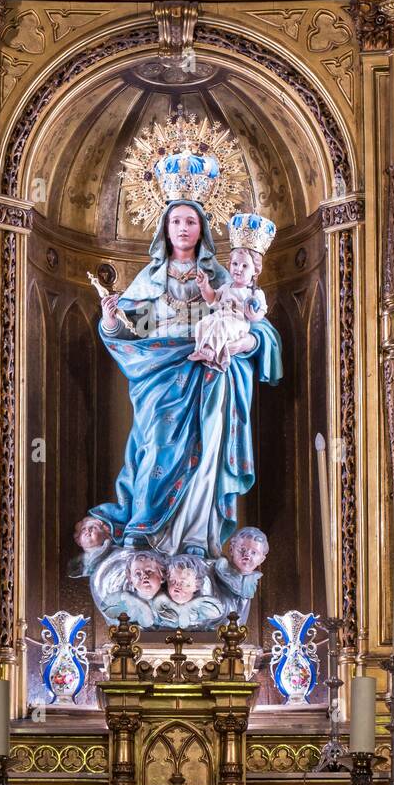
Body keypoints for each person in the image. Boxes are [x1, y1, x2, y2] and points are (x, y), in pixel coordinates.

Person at [91, 200, 282, 557]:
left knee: (207, 450)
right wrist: (111, 319)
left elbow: (263, 333)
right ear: (164, 227)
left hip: (209, 377)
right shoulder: (150, 279)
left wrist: (244, 342)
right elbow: (131, 333)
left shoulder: (223, 278)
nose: (182, 228)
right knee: (156, 446)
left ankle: (196, 540)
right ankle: (145, 529)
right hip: (161, 375)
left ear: (202, 229)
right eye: (175, 220)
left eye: (191, 221)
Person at [189, 246, 266, 371]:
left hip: (238, 322)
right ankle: (201, 349)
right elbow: (212, 298)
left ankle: (211, 351)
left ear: (255, 271)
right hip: (221, 316)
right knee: (203, 323)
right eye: (235, 264)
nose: (238, 269)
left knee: (222, 325)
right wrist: (204, 286)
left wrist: (254, 316)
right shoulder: (226, 287)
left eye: (245, 266)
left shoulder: (254, 292)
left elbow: (262, 310)